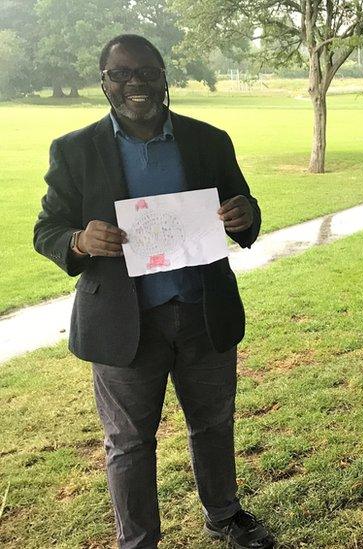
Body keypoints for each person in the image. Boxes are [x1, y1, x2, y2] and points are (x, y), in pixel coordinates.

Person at [33, 34, 274, 549]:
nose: (135, 82)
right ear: (104, 83)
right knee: (128, 443)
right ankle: (138, 541)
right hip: (125, 322)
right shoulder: (75, 150)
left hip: (202, 311)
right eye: (121, 74)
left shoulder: (209, 139)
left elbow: (244, 208)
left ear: (164, 76)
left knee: (213, 423)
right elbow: (47, 230)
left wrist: (245, 215)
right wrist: (79, 240)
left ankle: (224, 515)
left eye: (146, 71)